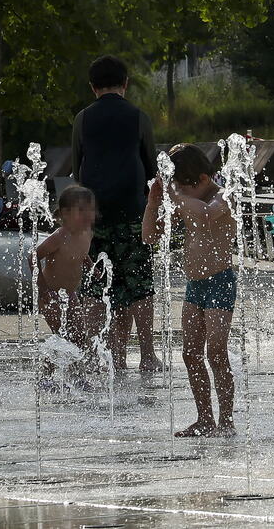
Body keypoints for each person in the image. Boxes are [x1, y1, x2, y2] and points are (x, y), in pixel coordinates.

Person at [72, 55, 160, 372]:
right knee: (139, 283)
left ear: (92, 86)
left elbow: (76, 171)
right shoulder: (138, 116)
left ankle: (103, 355)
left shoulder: (82, 119)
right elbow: (152, 167)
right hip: (133, 212)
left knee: (98, 285)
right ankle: (148, 354)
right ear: (126, 83)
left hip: (96, 218)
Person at [144, 144, 237, 438]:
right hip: (195, 287)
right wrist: (152, 202)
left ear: (203, 179)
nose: (179, 192)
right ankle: (204, 418)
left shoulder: (225, 196)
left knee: (217, 351)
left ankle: (226, 421)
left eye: (184, 186)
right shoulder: (187, 201)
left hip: (220, 282)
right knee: (191, 353)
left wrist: (175, 195)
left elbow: (208, 215)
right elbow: (149, 236)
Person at [32, 186, 97, 362]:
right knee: (62, 337)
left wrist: (91, 266)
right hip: (51, 295)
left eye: (90, 209)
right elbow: (33, 257)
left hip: (71, 294)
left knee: (80, 336)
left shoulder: (87, 233)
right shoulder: (60, 236)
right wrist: (43, 289)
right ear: (65, 214)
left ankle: (77, 378)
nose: (87, 215)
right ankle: (46, 377)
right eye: (81, 210)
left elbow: (81, 253)